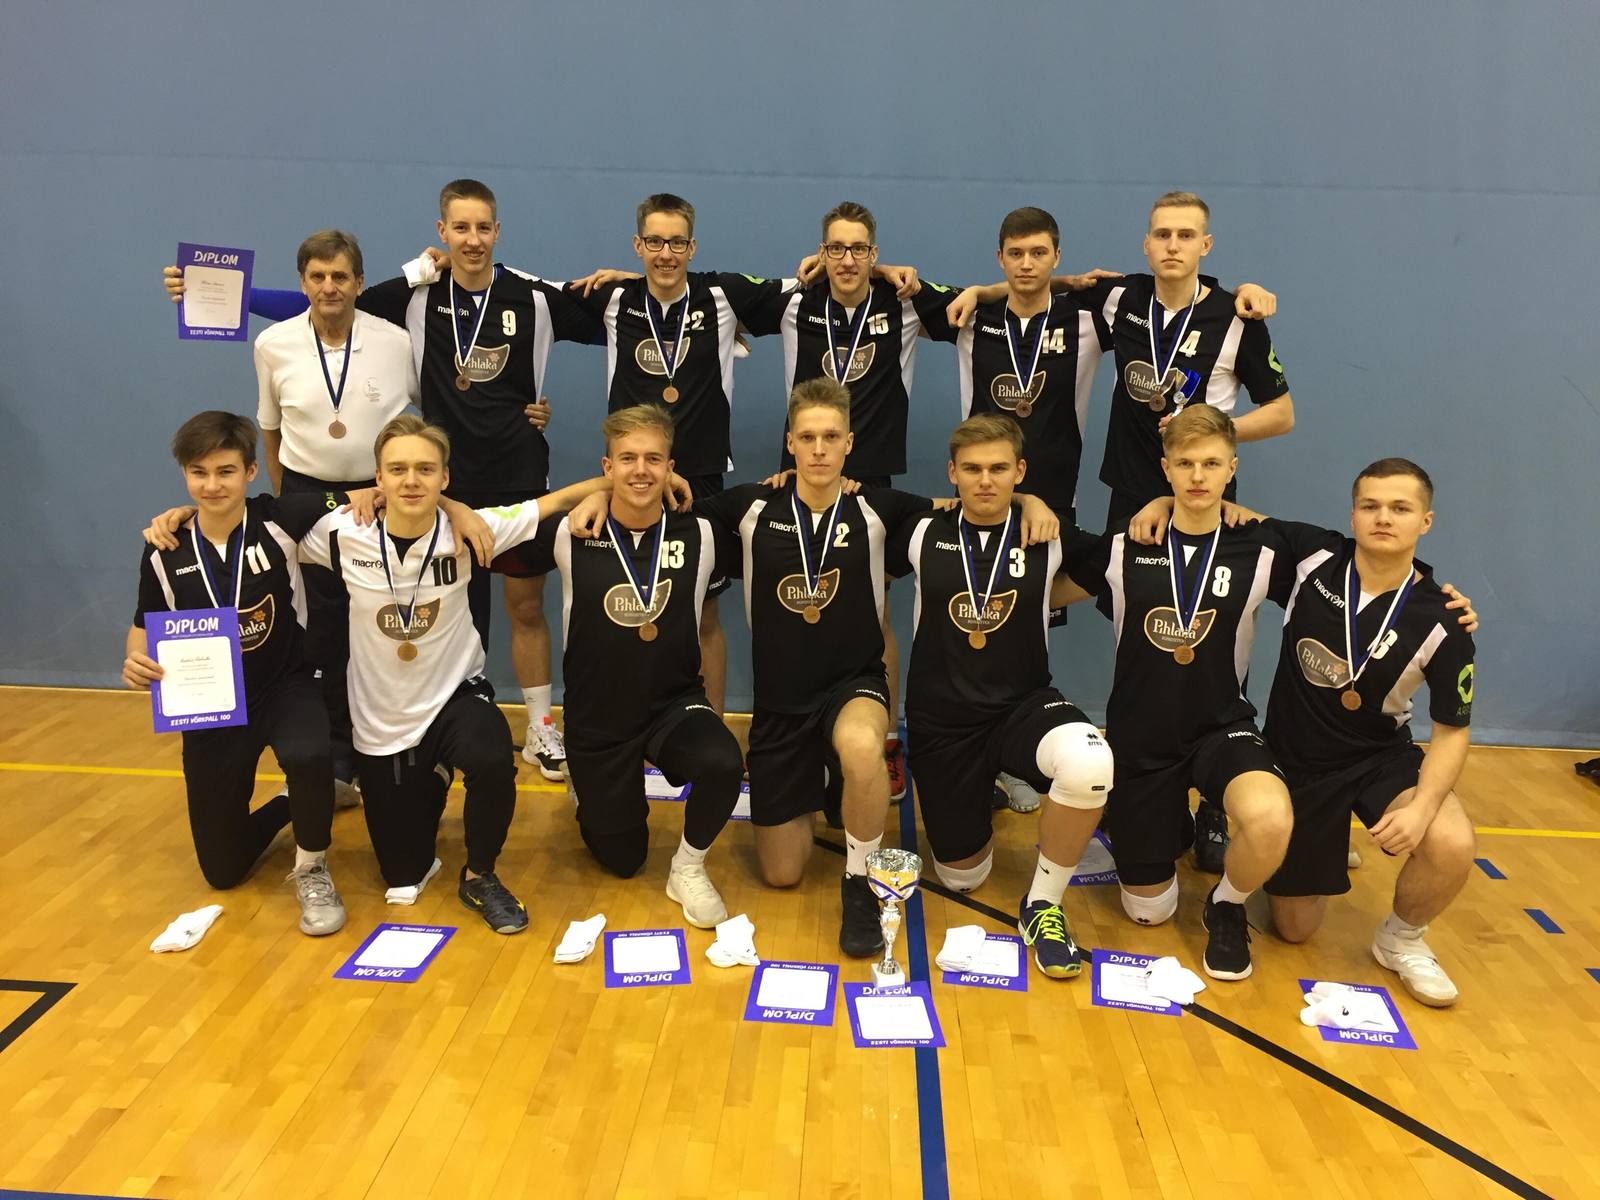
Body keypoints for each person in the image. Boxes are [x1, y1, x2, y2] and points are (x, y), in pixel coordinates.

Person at [165, 180, 597, 781]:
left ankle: (502, 730)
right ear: (441, 231)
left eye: (482, 227)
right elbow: (314, 309)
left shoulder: (502, 303)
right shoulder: (401, 301)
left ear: (497, 231)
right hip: (375, 488)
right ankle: (366, 747)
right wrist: (220, 293)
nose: (472, 238)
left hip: (461, 479)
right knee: (375, 620)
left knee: (490, 608)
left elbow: (615, 318)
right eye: (460, 227)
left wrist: (622, 282)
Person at [300, 414, 608, 932]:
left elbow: (557, 500)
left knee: (491, 755)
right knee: (402, 871)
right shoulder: (340, 533)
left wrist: (616, 487)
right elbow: (252, 520)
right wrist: (184, 516)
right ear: (378, 478)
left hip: (453, 697)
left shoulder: (471, 527)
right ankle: (435, 772)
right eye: (397, 469)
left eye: (425, 469)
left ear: (445, 477)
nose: (411, 480)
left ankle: (480, 873)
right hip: (381, 719)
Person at [1054, 406, 1295, 981]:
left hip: (1221, 727)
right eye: (1185, 464)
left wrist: (1437, 597)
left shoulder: (1262, 547)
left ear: (1232, 469)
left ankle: (1227, 905)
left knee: (1270, 820)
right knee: (1148, 912)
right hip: (1141, 736)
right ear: (1165, 470)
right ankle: (1164, 824)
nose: (1198, 476)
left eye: (1211, 463)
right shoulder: (1126, 542)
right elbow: (1046, 587)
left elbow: (1356, 572)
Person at [499, 405, 744, 927]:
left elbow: (785, 507)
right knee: (623, 859)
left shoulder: (702, 531)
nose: (641, 470)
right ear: (607, 467)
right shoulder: (571, 529)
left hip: (673, 704)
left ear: (671, 468)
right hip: (598, 717)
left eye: (654, 459)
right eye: (627, 459)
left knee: (723, 761)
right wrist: (587, 494)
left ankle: (688, 868)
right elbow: (489, 525)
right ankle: (588, 791)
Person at [889, 414, 1114, 980]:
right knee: (962, 877)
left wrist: (1044, 584)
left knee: (1091, 761)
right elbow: (845, 503)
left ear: (1020, 471)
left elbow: (1110, 560)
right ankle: (978, 789)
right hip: (942, 721)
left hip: (1022, 707)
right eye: (972, 469)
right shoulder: (920, 528)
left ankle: (1042, 904)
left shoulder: (1046, 531)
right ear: (952, 473)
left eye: (998, 469)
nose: (985, 480)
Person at [1257, 460, 1477, 1005]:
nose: (1383, 518)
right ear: (1352, 514)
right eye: (1370, 506)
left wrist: (1422, 808)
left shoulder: (1445, 619)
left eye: (1400, 508)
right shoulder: (1312, 558)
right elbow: (1219, 515)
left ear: (1425, 521)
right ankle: (1310, 840)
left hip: (1378, 756)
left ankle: (1401, 939)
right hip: (1297, 763)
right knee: (1295, 929)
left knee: (1451, 841)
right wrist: (1159, 503)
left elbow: (1452, 732)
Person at [124, 411, 348, 936]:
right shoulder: (164, 547)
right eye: (198, 473)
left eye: (225, 471)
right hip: (212, 701)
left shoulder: (280, 519)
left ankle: (312, 867)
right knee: (223, 872)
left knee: (310, 753)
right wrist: (135, 659)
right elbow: (143, 626)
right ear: (184, 474)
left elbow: (370, 495)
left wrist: (381, 498)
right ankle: (293, 803)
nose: (212, 485)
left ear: (250, 471)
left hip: (286, 684)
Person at [251, 229, 418, 797]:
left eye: (340, 276)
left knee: (381, 620)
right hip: (309, 497)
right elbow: (270, 430)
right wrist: (290, 505)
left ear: (359, 283)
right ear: (302, 283)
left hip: (379, 497)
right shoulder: (272, 344)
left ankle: (389, 748)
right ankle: (337, 756)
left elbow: (441, 406)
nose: (329, 287)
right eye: (318, 277)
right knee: (322, 632)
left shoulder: (395, 341)